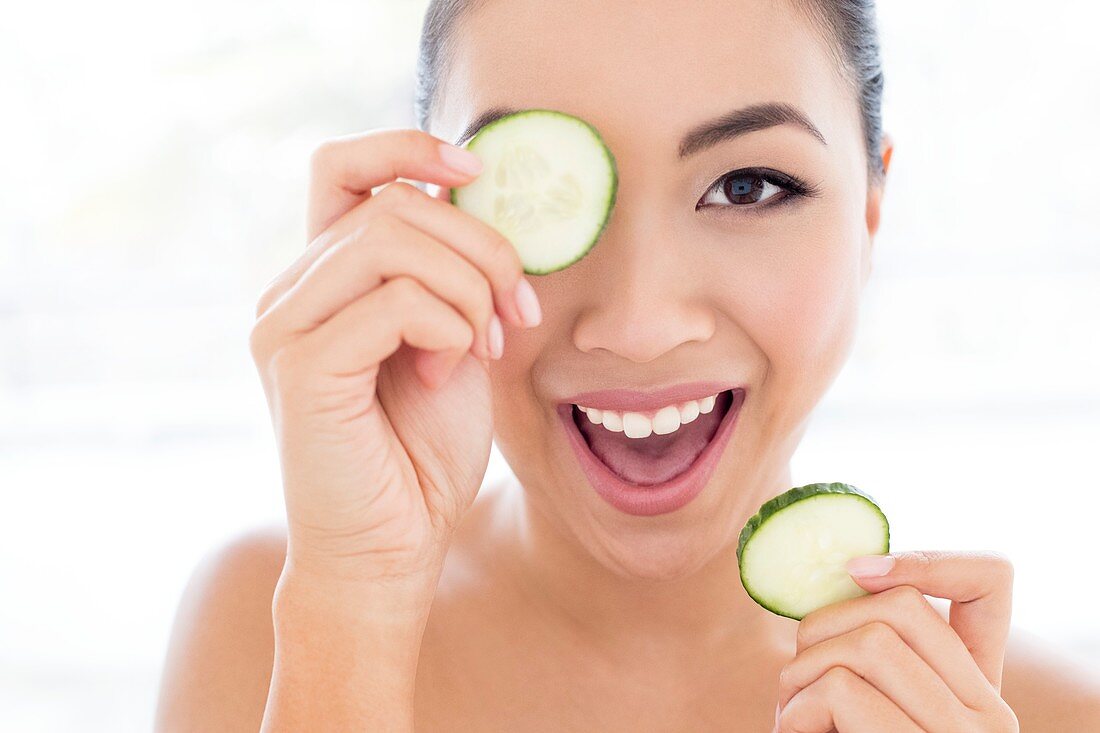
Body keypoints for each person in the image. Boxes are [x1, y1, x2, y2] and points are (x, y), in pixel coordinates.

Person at [155, 1, 1100, 730]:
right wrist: (355, 601)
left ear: (870, 209)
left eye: (748, 185)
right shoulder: (281, 624)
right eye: (539, 194)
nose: (640, 323)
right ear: (421, 213)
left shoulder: (1041, 714)